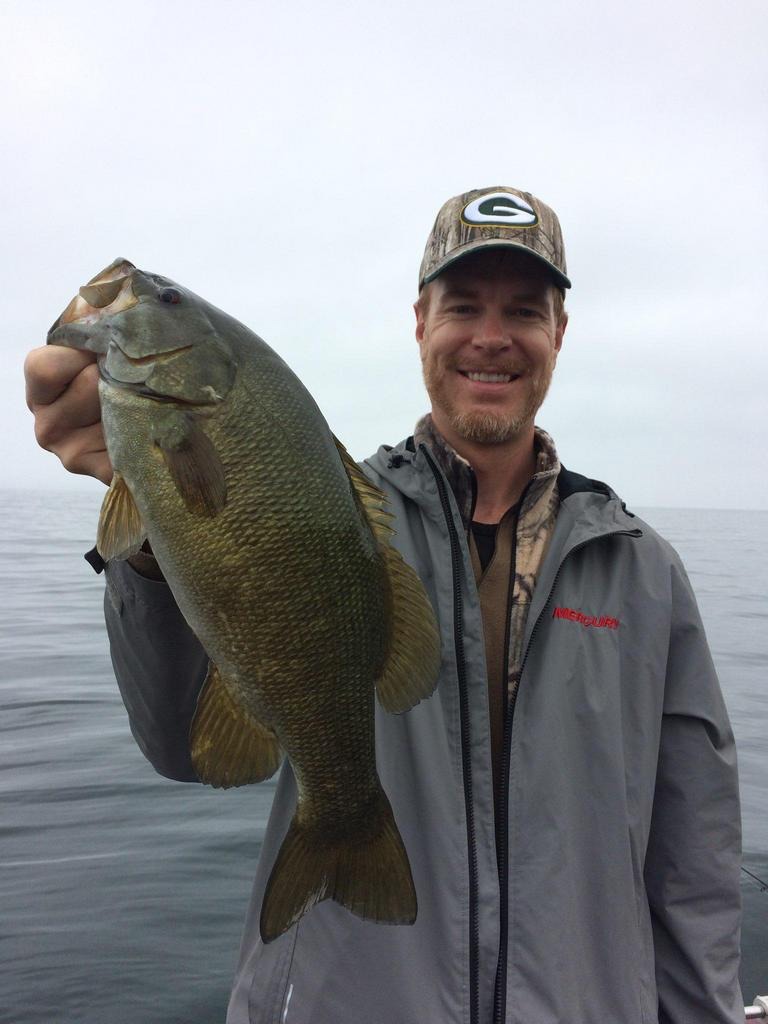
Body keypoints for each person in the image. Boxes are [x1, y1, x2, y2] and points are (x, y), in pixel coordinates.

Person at [25, 186, 744, 1024]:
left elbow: (694, 859)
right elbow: (184, 745)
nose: (490, 336)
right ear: (419, 325)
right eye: (462, 305)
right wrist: (152, 534)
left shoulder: (645, 573)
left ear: (558, 335)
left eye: (524, 310)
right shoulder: (325, 514)